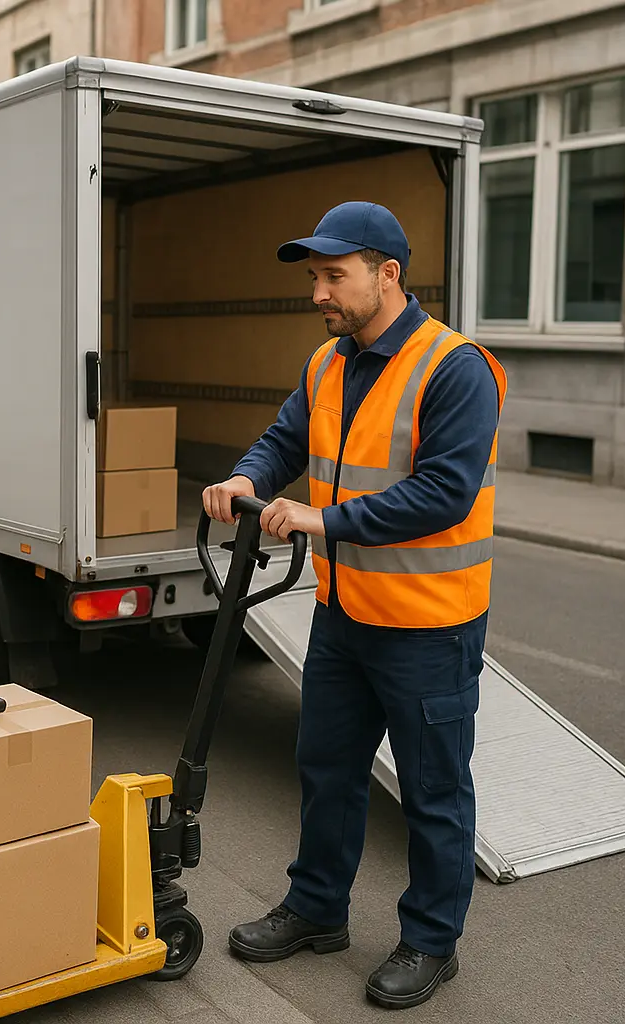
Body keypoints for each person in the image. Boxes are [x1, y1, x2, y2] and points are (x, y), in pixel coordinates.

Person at [203, 202, 507, 1010]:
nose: (319, 294)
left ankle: (432, 943)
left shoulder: (456, 368)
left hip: (430, 624)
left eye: (334, 275)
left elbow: (443, 493)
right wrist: (247, 478)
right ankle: (316, 910)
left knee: (434, 791)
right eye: (315, 277)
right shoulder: (328, 363)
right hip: (345, 615)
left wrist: (321, 519)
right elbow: (284, 439)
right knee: (327, 770)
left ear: (388, 275)